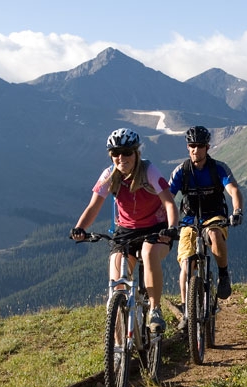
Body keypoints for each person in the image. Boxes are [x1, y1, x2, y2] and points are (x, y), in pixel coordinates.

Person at [71, 127, 179, 332]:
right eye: (115, 153)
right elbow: (94, 206)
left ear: (137, 153)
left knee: (148, 253)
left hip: (156, 229)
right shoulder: (109, 175)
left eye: (127, 152)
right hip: (125, 232)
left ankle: (155, 310)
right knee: (117, 283)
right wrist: (80, 228)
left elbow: (169, 203)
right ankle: (119, 352)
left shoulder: (149, 171)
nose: (121, 158)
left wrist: (172, 228)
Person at [169, 126, 244, 329]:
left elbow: (233, 189)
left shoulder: (218, 168)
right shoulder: (181, 171)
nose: (196, 150)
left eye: (200, 146)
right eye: (192, 146)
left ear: (207, 147)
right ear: (188, 147)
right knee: (186, 264)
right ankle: (186, 311)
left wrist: (237, 211)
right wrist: (166, 222)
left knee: (214, 234)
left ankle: (223, 275)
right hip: (189, 221)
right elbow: (167, 198)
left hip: (214, 217)